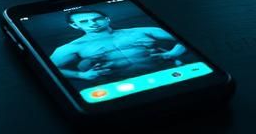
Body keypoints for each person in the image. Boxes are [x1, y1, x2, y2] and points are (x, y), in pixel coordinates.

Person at [50, 10, 186, 82]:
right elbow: (49, 69)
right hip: (120, 85)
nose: (93, 23)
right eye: (84, 21)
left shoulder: (144, 30)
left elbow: (185, 37)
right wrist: (81, 75)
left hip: (168, 74)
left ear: (107, 19)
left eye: (97, 18)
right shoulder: (71, 47)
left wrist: (174, 53)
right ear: (75, 25)